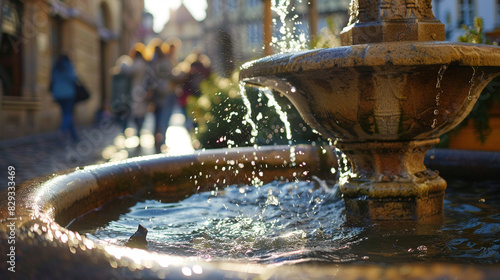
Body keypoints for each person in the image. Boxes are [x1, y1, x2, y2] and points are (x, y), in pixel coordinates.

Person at [50, 54, 79, 142]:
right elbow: (73, 78)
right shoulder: (69, 66)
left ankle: (74, 136)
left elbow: (53, 79)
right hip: (68, 94)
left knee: (66, 114)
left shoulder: (55, 67)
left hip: (58, 94)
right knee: (68, 114)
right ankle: (62, 131)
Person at [128, 44, 149, 141]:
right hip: (143, 90)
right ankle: (139, 131)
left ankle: (139, 131)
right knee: (141, 112)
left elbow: (128, 71)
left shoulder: (138, 63)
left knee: (137, 113)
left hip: (137, 90)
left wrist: (122, 64)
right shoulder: (145, 63)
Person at [110, 55, 133, 134]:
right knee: (124, 118)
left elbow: (113, 91)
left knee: (121, 118)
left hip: (120, 101)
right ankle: (123, 131)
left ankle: (123, 131)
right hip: (124, 101)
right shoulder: (125, 77)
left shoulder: (118, 77)